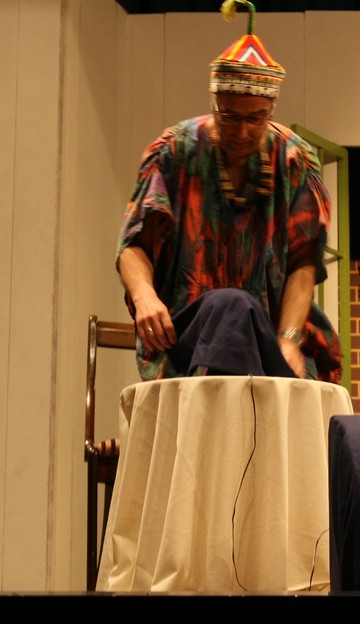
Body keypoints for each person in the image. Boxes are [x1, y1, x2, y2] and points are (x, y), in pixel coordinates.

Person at [116, 0, 341, 383]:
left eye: (256, 118)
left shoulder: (295, 161)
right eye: (231, 116)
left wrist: (288, 339)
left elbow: (303, 263)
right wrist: (144, 297)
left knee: (244, 315)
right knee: (231, 305)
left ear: (271, 108)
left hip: (271, 334)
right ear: (214, 103)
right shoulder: (174, 152)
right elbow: (134, 244)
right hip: (188, 336)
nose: (242, 131)